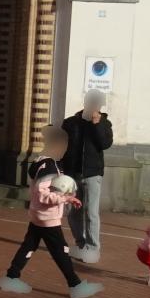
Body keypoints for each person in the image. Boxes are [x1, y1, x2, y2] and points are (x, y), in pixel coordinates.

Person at [0, 126, 104, 298]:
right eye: (64, 145)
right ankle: (75, 285)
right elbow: (43, 194)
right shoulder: (49, 166)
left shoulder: (42, 163)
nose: (65, 150)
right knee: (61, 251)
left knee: (29, 245)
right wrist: (65, 199)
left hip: (38, 216)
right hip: (47, 217)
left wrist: (66, 196)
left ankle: (11, 277)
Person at [61, 91, 112, 264]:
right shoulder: (70, 123)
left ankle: (93, 248)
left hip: (92, 174)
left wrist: (96, 124)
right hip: (72, 174)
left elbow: (105, 144)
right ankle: (81, 244)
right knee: (73, 212)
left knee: (91, 212)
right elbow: (63, 147)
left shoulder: (105, 123)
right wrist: (61, 171)